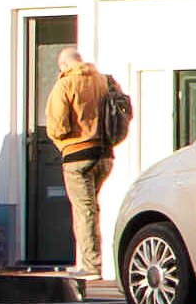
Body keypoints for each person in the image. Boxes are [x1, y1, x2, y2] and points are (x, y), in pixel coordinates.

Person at [42, 44, 136, 287]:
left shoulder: (65, 84)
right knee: (91, 208)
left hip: (76, 156)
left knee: (84, 211)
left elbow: (57, 126)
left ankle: (90, 266)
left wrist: (62, 142)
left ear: (64, 65)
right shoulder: (104, 81)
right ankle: (89, 259)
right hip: (105, 155)